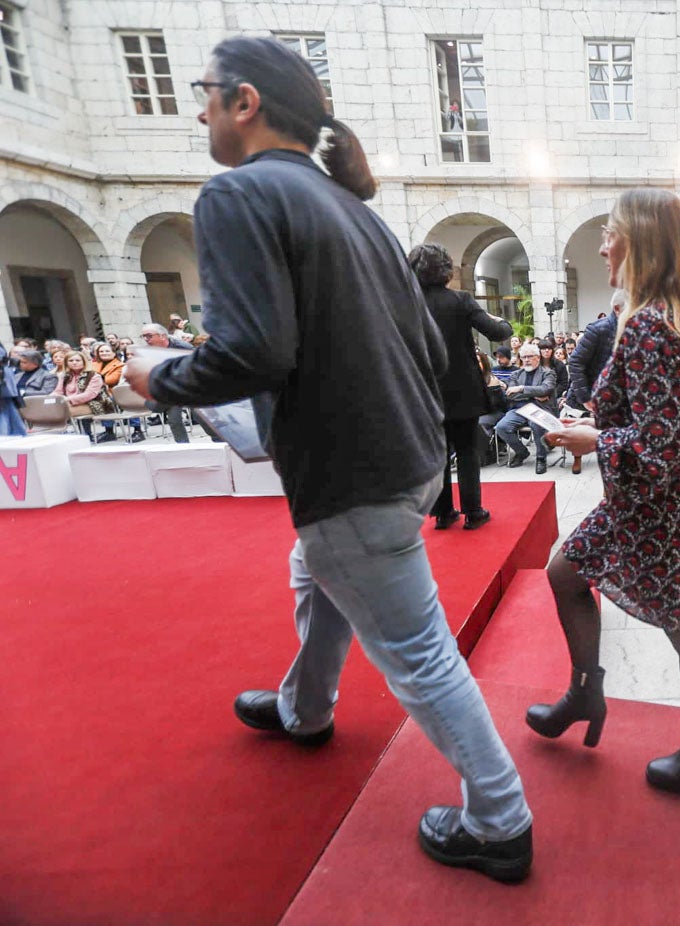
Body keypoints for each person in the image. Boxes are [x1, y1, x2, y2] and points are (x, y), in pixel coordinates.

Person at [123, 36, 532, 880]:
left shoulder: (237, 195)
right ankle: (304, 708)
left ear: (244, 102)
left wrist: (156, 377)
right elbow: (423, 342)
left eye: (204, 93)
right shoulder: (356, 209)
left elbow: (254, 351)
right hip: (406, 455)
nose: (196, 108)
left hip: (351, 471)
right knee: (317, 575)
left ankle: (500, 818)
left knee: (418, 652)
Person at [529, 187, 680, 795]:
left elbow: (659, 447)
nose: (601, 244)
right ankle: (586, 693)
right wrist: (598, 425)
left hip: (663, 506)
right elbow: (657, 425)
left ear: (638, 241)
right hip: (653, 502)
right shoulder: (654, 315)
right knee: (565, 572)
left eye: (610, 232)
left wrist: (596, 441)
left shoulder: (650, 325)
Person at [409, 242, 513, 530]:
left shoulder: (404, 304)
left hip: (423, 390)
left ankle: (443, 513)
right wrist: (502, 321)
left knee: (437, 453)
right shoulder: (460, 300)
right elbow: (497, 333)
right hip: (461, 387)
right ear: (445, 270)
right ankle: (473, 511)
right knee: (466, 449)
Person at [565, 289, 623, 475]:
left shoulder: (635, 329)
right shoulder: (598, 329)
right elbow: (575, 362)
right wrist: (585, 396)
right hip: (597, 394)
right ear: (617, 308)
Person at [494, 343, 558, 473]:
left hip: (539, 409)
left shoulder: (548, 373)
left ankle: (541, 458)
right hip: (519, 410)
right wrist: (535, 394)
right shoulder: (516, 374)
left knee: (536, 425)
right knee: (501, 427)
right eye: (524, 357)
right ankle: (521, 452)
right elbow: (511, 395)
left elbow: (546, 389)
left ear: (538, 357)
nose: (527, 360)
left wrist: (522, 389)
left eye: (530, 356)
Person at [139, 323, 197, 443]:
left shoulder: (183, 348)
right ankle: (183, 447)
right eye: (143, 336)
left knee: (201, 417)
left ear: (162, 336)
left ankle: (218, 441)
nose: (146, 339)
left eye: (149, 336)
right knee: (174, 420)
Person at [50, 350, 115, 437]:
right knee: (52, 406)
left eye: (77, 360)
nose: (74, 363)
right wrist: (49, 398)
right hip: (73, 403)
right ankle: (81, 434)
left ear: (84, 362)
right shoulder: (65, 376)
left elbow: (89, 395)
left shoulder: (94, 375)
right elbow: (58, 392)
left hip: (96, 403)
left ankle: (81, 435)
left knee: (63, 409)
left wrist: (68, 399)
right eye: (71, 361)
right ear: (66, 363)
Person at [91, 342, 146, 443]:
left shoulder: (122, 365)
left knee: (128, 397)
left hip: (133, 393)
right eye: (101, 351)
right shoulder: (94, 365)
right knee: (104, 400)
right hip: (114, 393)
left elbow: (110, 380)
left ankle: (138, 430)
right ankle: (109, 432)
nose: (104, 353)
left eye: (107, 351)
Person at [537, 338, 569, 406]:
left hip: (555, 396)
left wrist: (551, 396)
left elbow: (563, 383)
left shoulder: (560, 365)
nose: (546, 351)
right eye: (543, 349)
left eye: (549, 349)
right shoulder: (535, 364)